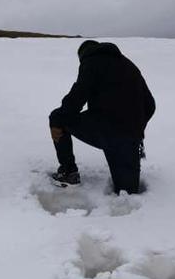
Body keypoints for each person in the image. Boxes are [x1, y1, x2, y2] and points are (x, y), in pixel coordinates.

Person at [49, 40, 155, 194]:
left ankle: (68, 172)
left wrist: (58, 119)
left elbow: (78, 97)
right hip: (130, 139)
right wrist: (137, 130)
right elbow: (150, 105)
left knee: (57, 118)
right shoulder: (128, 65)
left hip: (107, 130)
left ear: (83, 55)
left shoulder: (91, 62)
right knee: (127, 193)